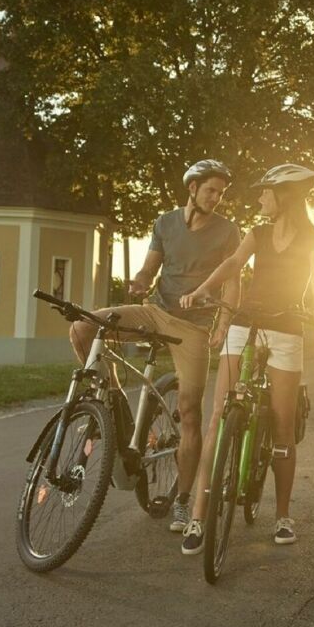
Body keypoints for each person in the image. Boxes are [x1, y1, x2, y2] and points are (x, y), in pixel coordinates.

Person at [68, 160, 241, 534]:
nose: (217, 197)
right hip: (154, 311)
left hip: (193, 327)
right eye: (211, 190)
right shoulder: (165, 223)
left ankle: (181, 500)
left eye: (221, 192)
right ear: (192, 188)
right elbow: (151, 266)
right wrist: (141, 281)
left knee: (190, 412)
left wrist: (223, 323)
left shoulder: (229, 231)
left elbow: (232, 281)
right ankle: (115, 408)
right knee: (83, 329)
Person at [178, 163, 314, 553]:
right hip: (245, 326)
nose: (260, 197)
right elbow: (232, 265)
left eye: (266, 192)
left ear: (284, 197)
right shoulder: (257, 233)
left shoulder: (312, 238)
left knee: (281, 426)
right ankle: (198, 516)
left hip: (286, 330)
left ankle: (281, 516)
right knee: (218, 416)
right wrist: (203, 288)